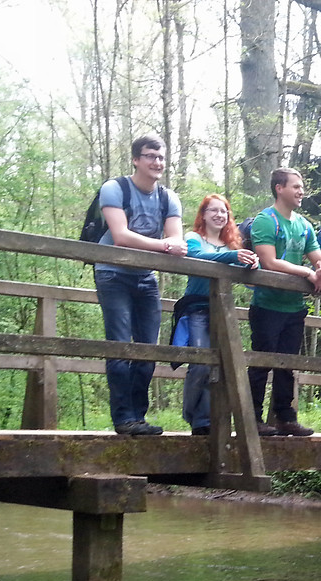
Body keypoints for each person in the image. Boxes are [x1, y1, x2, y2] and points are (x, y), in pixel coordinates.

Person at [95, 134, 186, 435]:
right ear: (136, 159)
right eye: (150, 156)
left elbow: (177, 240)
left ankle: (139, 417)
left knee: (148, 348)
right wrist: (163, 246)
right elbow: (121, 236)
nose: (157, 162)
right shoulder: (115, 188)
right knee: (120, 345)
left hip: (146, 276)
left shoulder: (167, 197)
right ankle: (124, 419)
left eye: (160, 157)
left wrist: (167, 245)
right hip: (112, 273)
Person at [249, 167, 321, 437]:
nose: (301, 191)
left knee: (287, 363)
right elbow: (269, 261)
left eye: (302, 187)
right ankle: (252, 418)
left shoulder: (304, 225)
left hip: (294, 307)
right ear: (279, 188)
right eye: (295, 186)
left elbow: (317, 256)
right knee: (262, 362)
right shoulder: (265, 220)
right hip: (267, 305)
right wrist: (307, 272)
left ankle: (285, 417)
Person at [178, 195, 259, 435]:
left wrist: (252, 263)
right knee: (201, 364)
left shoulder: (231, 245)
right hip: (196, 309)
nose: (219, 215)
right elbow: (196, 259)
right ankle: (191, 413)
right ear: (203, 215)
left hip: (222, 311)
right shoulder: (194, 238)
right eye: (213, 210)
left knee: (220, 367)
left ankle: (204, 421)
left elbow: (251, 281)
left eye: (223, 211)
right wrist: (232, 257)